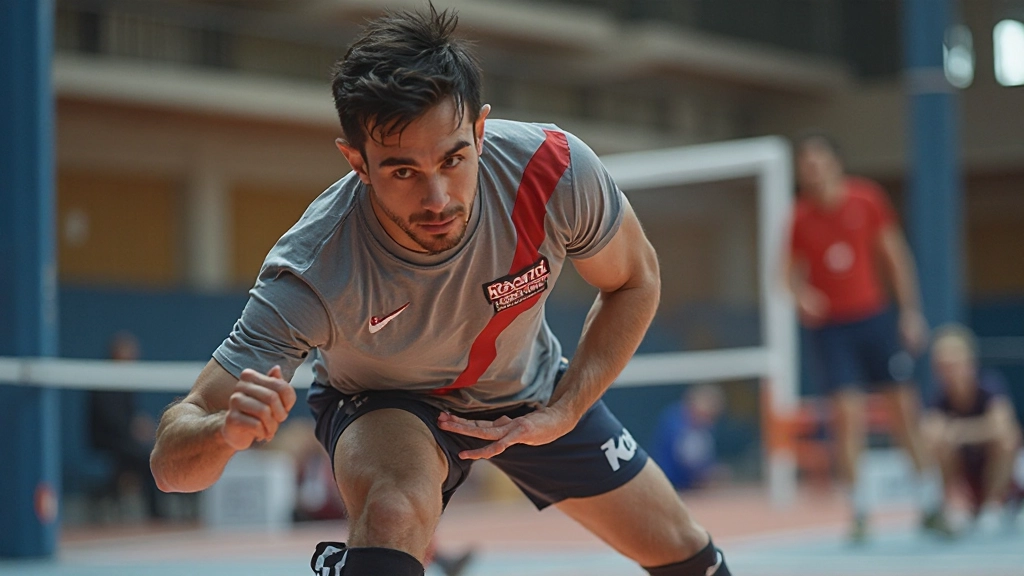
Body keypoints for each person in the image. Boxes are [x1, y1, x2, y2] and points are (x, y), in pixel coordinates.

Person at [150, 6, 731, 576]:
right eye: (403, 171)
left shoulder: (552, 173)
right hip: (389, 404)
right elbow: (170, 463)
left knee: (687, 554)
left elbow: (636, 279)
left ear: (480, 129)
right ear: (357, 161)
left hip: (530, 388)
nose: (437, 198)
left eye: (454, 159)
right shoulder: (315, 268)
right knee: (393, 512)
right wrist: (224, 434)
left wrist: (565, 410)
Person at [784, 133, 949, 542]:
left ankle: (931, 505)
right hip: (831, 331)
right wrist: (802, 296)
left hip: (874, 319)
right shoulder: (800, 217)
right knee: (847, 418)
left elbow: (895, 257)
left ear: (835, 163)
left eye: (818, 161)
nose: (812, 170)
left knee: (904, 413)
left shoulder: (867, 199)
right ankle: (859, 512)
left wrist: (910, 312)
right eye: (806, 164)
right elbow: (787, 273)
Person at [922, 324, 1024, 534]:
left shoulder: (990, 386)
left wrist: (959, 432)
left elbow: (1002, 426)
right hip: (965, 474)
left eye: (953, 364)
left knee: (1007, 440)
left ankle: (994, 507)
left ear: (969, 362)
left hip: (998, 475)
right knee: (937, 444)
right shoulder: (939, 397)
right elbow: (930, 433)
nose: (948, 372)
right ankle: (953, 505)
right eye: (942, 366)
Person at [89, 331, 162, 520]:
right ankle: (156, 517)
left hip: (124, 440)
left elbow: (129, 413)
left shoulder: (125, 380)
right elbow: (111, 420)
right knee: (150, 460)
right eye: (129, 353)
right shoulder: (103, 381)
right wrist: (132, 428)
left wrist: (138, 423)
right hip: (108, 441)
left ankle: (113, 492)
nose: (133, 357)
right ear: (116, 353)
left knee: (147, 454)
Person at [652, 384, 726, 491]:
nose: (709, 420)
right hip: (671, 483)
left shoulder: (706, 428)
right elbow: (684, 458)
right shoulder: (674, 422)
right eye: (707, 414)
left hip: (690, 486)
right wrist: (706, 474)